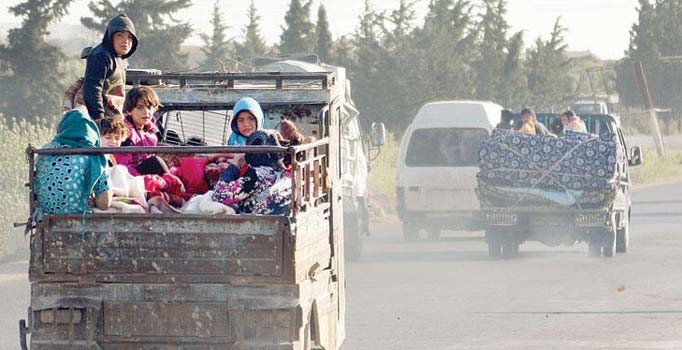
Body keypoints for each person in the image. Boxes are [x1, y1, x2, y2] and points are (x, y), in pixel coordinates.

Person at [34, 108, 112, 214]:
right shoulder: (93, 156)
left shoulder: (44, 152)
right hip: (80, 220)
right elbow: (104, 204)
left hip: (46, 215)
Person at [212, 131, 290, 215]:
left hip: (256, 223)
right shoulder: (283, 174)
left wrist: (234, 165)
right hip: (275, 218)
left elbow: (219, 196)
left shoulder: (256, 176)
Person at [83, 14, 138, 121]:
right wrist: (99, 119)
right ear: (110, 36)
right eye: (120, 35)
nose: (125, 41)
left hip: (114, 120)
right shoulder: (101, 56)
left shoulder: (120, 59)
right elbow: (92, 90)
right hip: (101, 122)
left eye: (129, 37)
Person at [114, 86, 169, 176]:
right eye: (140, 108)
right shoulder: (125, 134)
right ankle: (171, 182)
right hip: (131, 176)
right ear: (129, 111)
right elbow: (122, 167)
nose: (146, 112)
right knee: (155, 162)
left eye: (149, 107)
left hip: (145, 172)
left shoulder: (151, 130)